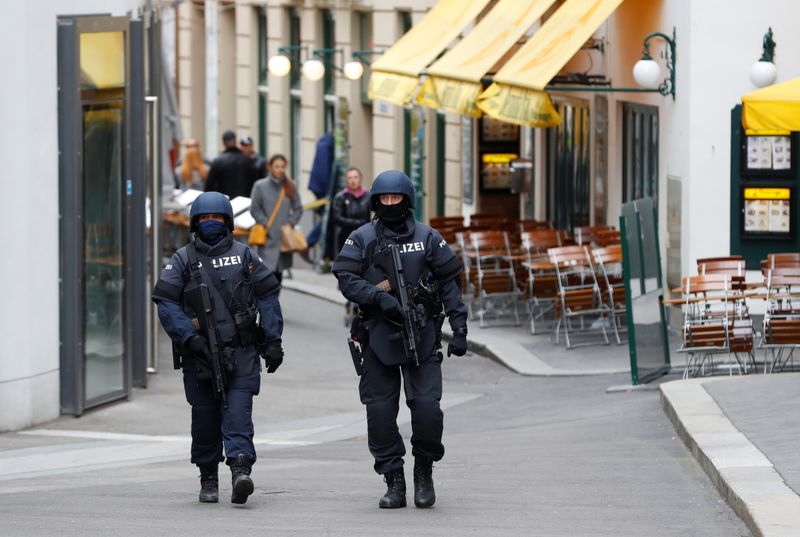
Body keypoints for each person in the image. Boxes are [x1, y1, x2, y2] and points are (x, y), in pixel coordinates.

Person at [331, 170, 468, 509]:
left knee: (427, 410)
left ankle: (423, 470)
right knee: (379, 413)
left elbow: (449, 280)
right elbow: (345, 277)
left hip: (421, 335)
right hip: (377, 335)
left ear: (407, 200)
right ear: (376, 202)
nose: (390, 204)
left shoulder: (427, 236)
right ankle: (394, 479)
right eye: (384, 199)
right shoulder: (361, 238)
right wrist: (379, 298)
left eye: (396, 199)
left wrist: (459, 327)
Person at [151, 191, 285, 505]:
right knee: (205, 418)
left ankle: (240, 470)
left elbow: (267, 296)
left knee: (238, 413)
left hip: (241, 352)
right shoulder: (183, 259)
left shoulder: (245, 256)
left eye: (217, 218)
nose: (211, 223)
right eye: (205, 219)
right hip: (200, 357)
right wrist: (189, 337)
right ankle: (208, 476)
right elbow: (165, 302)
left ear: (227, 222)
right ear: (195, 224)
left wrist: (273, 339)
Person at [249, 154, 303, 282]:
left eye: (283, 166)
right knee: (265, 272)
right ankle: (266, 300)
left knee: (278, 273)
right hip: (267, 237)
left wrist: (290, 223)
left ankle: (274, 300)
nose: (280, 169)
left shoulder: (290, 186)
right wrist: (265, 223)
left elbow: (298, 208)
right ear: (270, 167)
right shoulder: (260, 186)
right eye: (277, 166)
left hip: (284, 238)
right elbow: (254, 208)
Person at [331, 166, 371, 321]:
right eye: (350, 177)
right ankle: (350, 301)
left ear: (360, 178)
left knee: (363, 270)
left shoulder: (367, 196)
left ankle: (358, 303)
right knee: (348, 271)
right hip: (346, 239)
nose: (353, 180)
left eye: (356, 177)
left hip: (364, 240)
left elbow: (371, 217)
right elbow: (337, 218)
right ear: (346, 180)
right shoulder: (341, 197)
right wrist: (357, 224)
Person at [205, 130, 258, 199]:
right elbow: (255, 181)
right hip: (244, 201)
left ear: (223, 143)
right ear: (236, 141)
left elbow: (209, 186)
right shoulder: (247, 159)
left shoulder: (218, 161)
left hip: (225, 202)